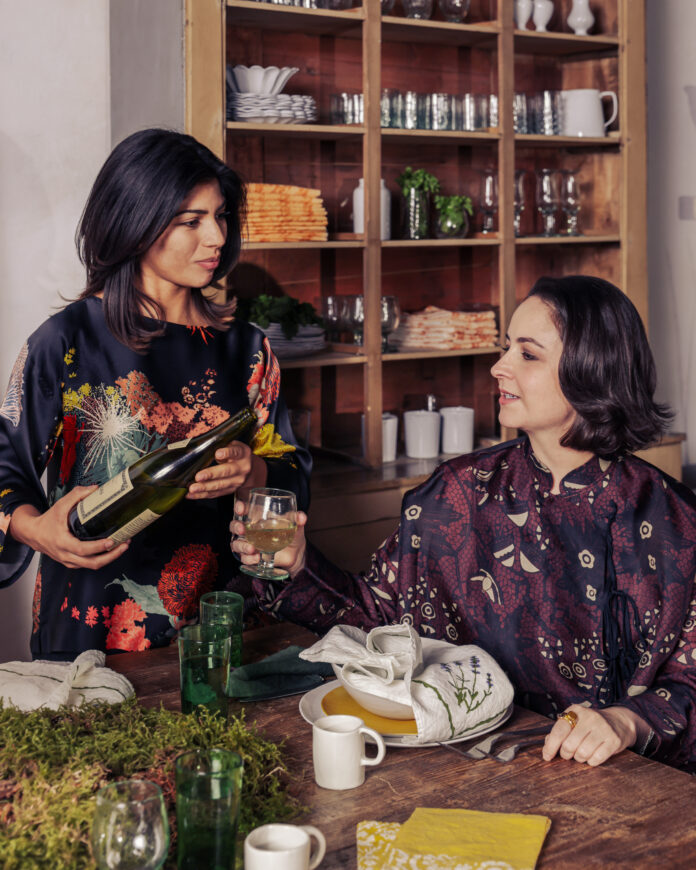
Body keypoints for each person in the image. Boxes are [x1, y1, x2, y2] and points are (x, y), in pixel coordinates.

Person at [232, 275, 696, 771]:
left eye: (528, 354)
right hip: (464, 769)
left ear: (594, 369)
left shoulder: (674, 522)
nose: (499, 367)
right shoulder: (456, 493)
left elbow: (688, 682)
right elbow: (381, 622)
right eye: (505, 347)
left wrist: (627, 721)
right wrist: (299, 566)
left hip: (612, 784)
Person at [0, 128, 311, 660]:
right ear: (135, 222)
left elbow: (291, 475)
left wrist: (253, 471)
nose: (216, 237)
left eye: (220, 216)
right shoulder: (66, 342)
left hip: (225, 628)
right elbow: (5, 463)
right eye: (191, 221)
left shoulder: (248, 350)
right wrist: (36, 530)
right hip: (92, 629)